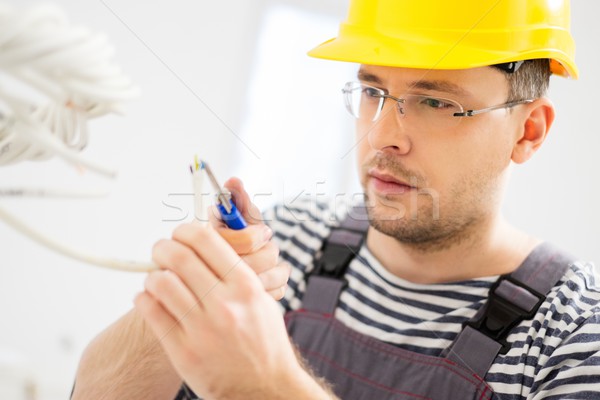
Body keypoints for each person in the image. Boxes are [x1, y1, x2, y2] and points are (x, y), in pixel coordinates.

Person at [72, 0, 600, 399]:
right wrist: (180, 301)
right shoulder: (285, 249)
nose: (380, 137)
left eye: (436, 101)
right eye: (372, 92)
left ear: (528, 130)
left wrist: (268, 386)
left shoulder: (574, 338)